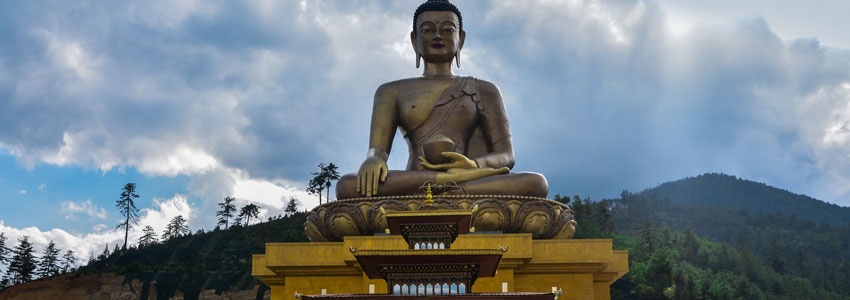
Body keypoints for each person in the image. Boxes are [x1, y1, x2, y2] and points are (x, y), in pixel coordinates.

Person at [335, 0, 547, 199]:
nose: (437, 36)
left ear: (461, 39)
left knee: (536, 183)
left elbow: (506, 156)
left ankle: (448, 184)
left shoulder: (485, 90)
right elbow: (378, 149)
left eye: (447, 30)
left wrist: (473, 166)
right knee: (347, 186)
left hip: (461, 180)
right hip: (416, 181)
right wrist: (373, 159)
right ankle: (447, 182)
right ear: (414, 39)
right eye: (427, 30)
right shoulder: (391, 91)